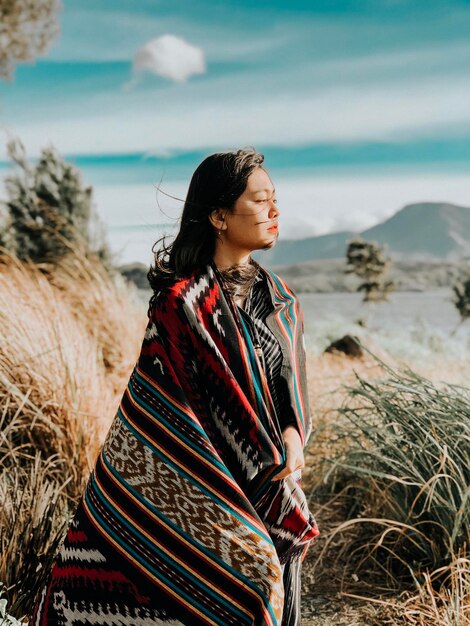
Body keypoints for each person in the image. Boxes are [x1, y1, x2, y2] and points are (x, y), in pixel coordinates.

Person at [29, 147, 319, 626]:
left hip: (274, 478)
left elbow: (291, 383)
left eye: (275, 199)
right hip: (199, 476)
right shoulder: (179, 305)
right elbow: (160, 403)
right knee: (231, 581)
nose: (274, 211)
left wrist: (291, 434)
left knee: (277, 583)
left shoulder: (283, 300)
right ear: (219, 216)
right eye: (260, 199)